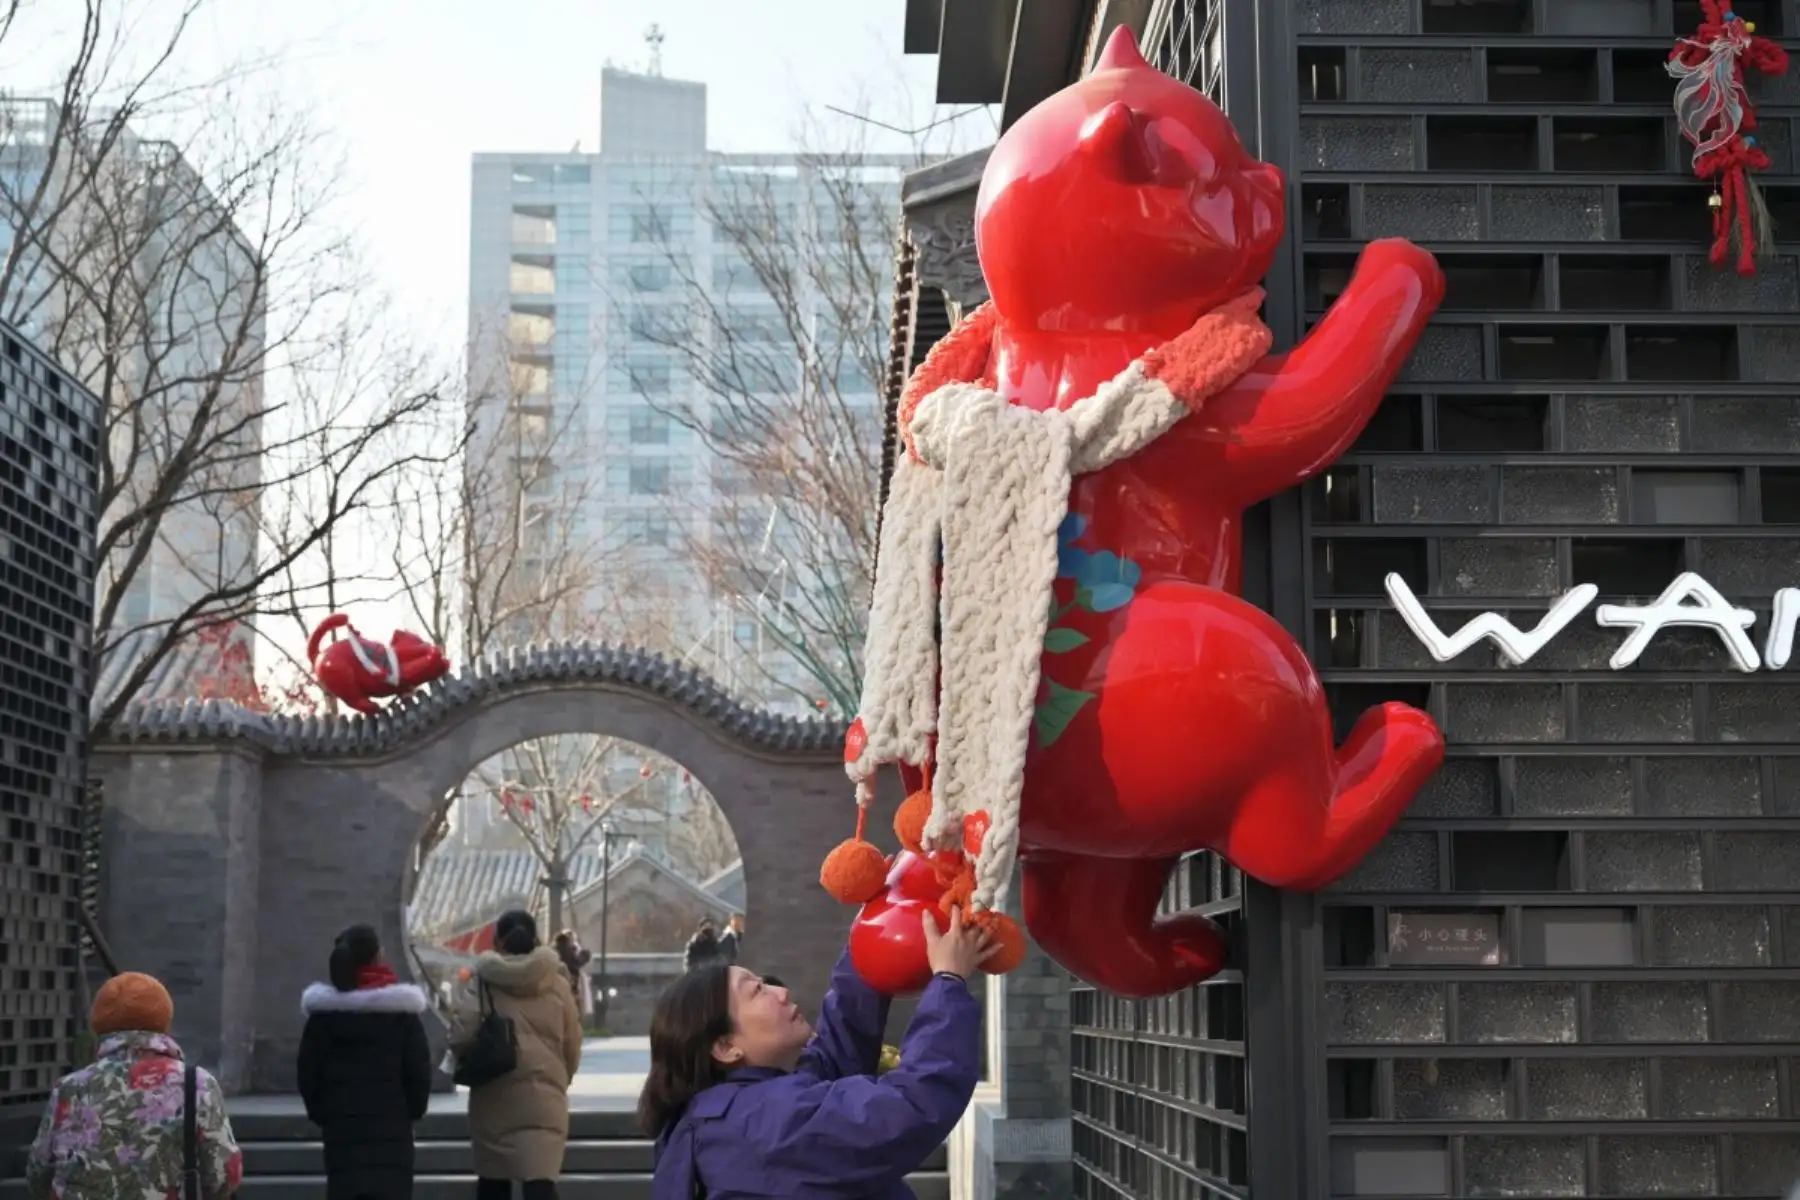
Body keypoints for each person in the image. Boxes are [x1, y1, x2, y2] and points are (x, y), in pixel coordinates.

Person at [641, 908, 993, 1198]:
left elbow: (839, 1049)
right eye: (757, 991)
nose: (780, 993)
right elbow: (908, 1108)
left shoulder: (733, 1109)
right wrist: (948, 981)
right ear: (725, 1047)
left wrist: (873, 927)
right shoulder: (762, 1123)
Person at [27, 971, 243, 1199]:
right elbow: (224, 1175)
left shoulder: (69, 1088)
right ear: (163, 1018)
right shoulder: (197, 1084)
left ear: (100, 1024)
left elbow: (38, 1173)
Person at [450, 909, 583, 1200]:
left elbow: (461, 1036)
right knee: (541, 1185)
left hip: (493, 1094)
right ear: (535, 939)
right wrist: (560, 1079)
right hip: (544, 1098)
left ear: (497, 941)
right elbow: (572, 1044)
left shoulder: (481, 981)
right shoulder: (558, 983)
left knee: (494, 1183)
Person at [297, 924, 434, 1200]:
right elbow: (419, 1072)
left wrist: (325, 1115)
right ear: (377, 957)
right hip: (392, 1133)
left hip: (342, 1134)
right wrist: (410, 1112)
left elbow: (308, 1074)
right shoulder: (402, 1015)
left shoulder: (324, 1017)